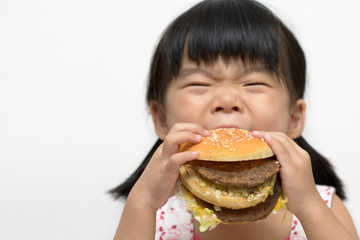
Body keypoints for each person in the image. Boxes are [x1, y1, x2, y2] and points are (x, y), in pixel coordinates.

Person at [110, 0, 359, 239]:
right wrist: (142, 202)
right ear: (161, 119)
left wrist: (309, 207)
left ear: (294, 118)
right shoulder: (156, 213)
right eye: (199, 83)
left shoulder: (320, 205)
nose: (227, 99)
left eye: (254, 83)